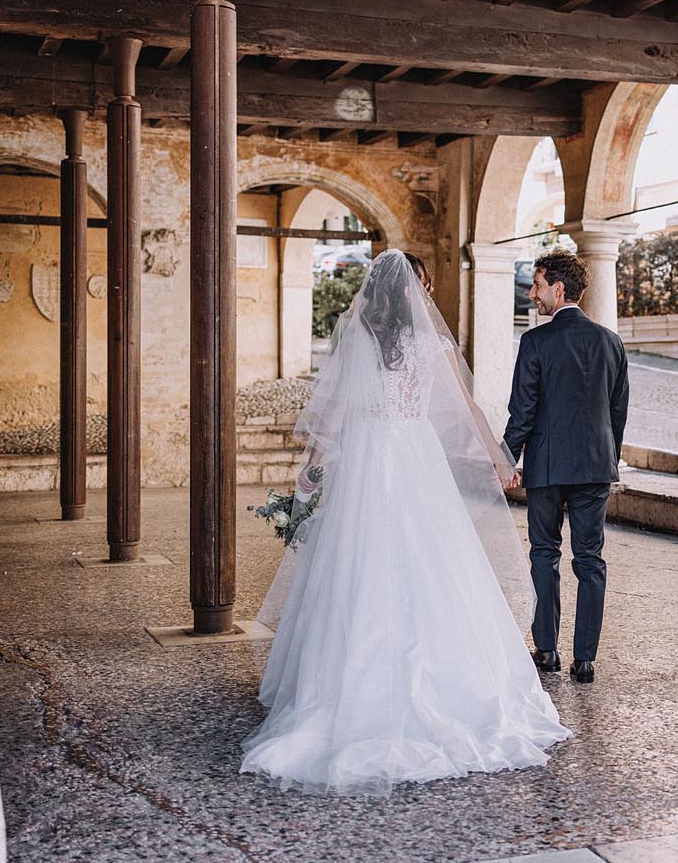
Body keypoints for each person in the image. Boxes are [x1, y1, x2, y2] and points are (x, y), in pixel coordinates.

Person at [241, 249, 568, 795]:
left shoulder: (359, 340)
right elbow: (469, 409)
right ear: (414, 294)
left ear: (375, 293)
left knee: (359, 566)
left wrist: (309, 475)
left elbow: (335, 418)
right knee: (435, 565)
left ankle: (345, 690)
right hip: (418, 459)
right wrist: (499, 460)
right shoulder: (433, 344)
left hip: (370, 461)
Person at [503, 248, 630, 685]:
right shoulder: (610, 341)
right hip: (595, 466)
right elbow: (618, 412)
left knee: (545, 554)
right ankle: (586, 659)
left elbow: (523, 409)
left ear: (558, 289)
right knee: (591, 559)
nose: (532, 294)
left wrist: (507, 458)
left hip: (548, 466)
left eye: (537, 285)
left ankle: (547, 651)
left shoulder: (536, 341)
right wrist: (606, 460)